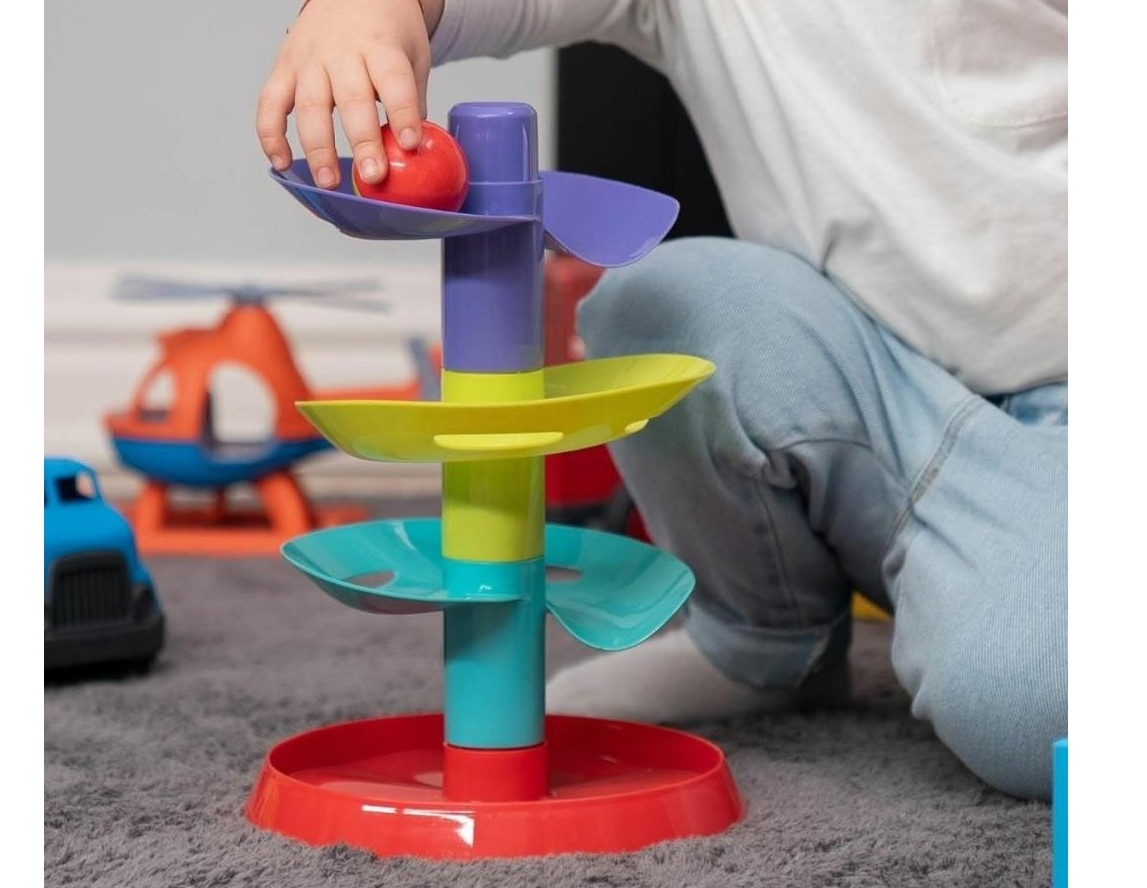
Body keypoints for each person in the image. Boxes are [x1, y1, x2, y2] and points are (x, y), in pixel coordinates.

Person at [257, 0, 1067, 801]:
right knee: (661, 305)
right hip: (869, 381)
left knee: (1039, 704)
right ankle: (766, 642)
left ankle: (996, 580)